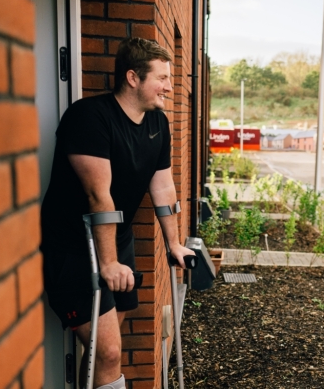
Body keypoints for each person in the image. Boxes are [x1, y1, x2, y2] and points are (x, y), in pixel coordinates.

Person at [40, 38, 195, 389]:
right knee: (107, 352)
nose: (170, 87)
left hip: (117, 241)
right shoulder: (89, 118)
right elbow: (99, 196)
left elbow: (163, 188)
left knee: (102, 351)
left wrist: (174, 243)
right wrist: (108, 264)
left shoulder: (158, 124)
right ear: (132, 77)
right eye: (163, 78)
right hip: (77, 248)